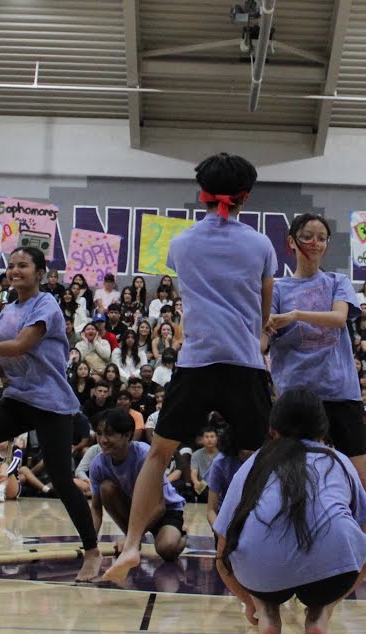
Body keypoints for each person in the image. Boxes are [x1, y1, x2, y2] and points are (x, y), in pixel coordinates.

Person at [101, 153, 275, 582]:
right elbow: (264, 312)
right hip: (243, 363)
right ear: (245, 197)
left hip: (196, 362)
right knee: (259, 460)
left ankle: (130, 546)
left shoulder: (180, 244)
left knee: (158, 454)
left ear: (203, 193)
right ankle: (258, 549)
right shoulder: (260, 245)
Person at [263, 212, 366, 602]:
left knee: (363, 482)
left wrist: (295, 316)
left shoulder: (338, 281)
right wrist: (263, 331)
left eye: (322, 237)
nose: (316, 243)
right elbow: (265, 338)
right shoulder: (278, 289)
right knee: (288, 483)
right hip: (296, 399)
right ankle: (287, 570)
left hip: (340, 393)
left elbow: (338, 319)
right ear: (292, 242)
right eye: (308, 236)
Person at [0, 246, 102, 581]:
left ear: (39, 273)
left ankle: (92, 551)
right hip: (19, 397)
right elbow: (6, 363)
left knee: (62, 480)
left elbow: (21, 346)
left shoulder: (46, 305)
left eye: (23, 265)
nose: (14, 270)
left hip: (50, 402)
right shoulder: (7, 310)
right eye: (11, 265)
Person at [215, 390, 366, 634]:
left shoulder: (255, 462)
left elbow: (222, 549)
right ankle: (320, 617)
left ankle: (267, 617)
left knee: (245, 555)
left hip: (262, 575)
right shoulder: (340, 461)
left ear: (272, 429)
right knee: (358, 548)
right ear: (323, 430)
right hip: (331, 578)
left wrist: (251, 603)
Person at [89, 409, 187, 564]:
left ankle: (182, 535)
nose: (103, 440)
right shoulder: (98, 464)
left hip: (165, 511)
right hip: (134, 509)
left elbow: (159, 507)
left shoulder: (145, 455)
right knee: (106, 488)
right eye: (99, 433)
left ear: (127, 435)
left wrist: (131, 540)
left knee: (167, 549)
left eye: (109, 434)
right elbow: (95, 509)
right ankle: (132, 539)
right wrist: (90, 544)